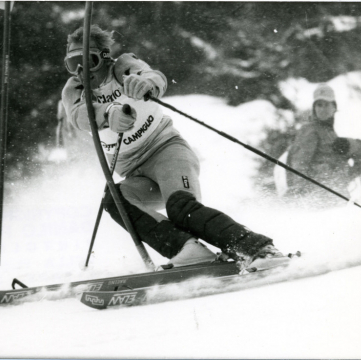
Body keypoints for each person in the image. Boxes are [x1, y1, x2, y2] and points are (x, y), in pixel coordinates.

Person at [61, 25, 287, 271]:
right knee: (115, 202)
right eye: (73, 63)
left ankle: (258, 249)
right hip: (135, 173)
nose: (82, 70)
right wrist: (108, 112)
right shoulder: (75, 89)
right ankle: (187, 250)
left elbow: (154, 77)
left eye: (89, 60)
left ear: (104, 57)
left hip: (166, 151)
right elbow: (79, 116)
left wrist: (145, 84)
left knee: (179, 207)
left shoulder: (123, 67)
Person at [280, 84, 361, 206]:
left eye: (326, 104)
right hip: (318, 198)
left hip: (336, 194)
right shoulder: (309, 130)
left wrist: (354, 147)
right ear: (314, 108)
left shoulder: (329, 132)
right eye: (319, 105)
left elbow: (360, 161)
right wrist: (298, 193)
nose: (322, 109)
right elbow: (299, 164)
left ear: (334, 107)